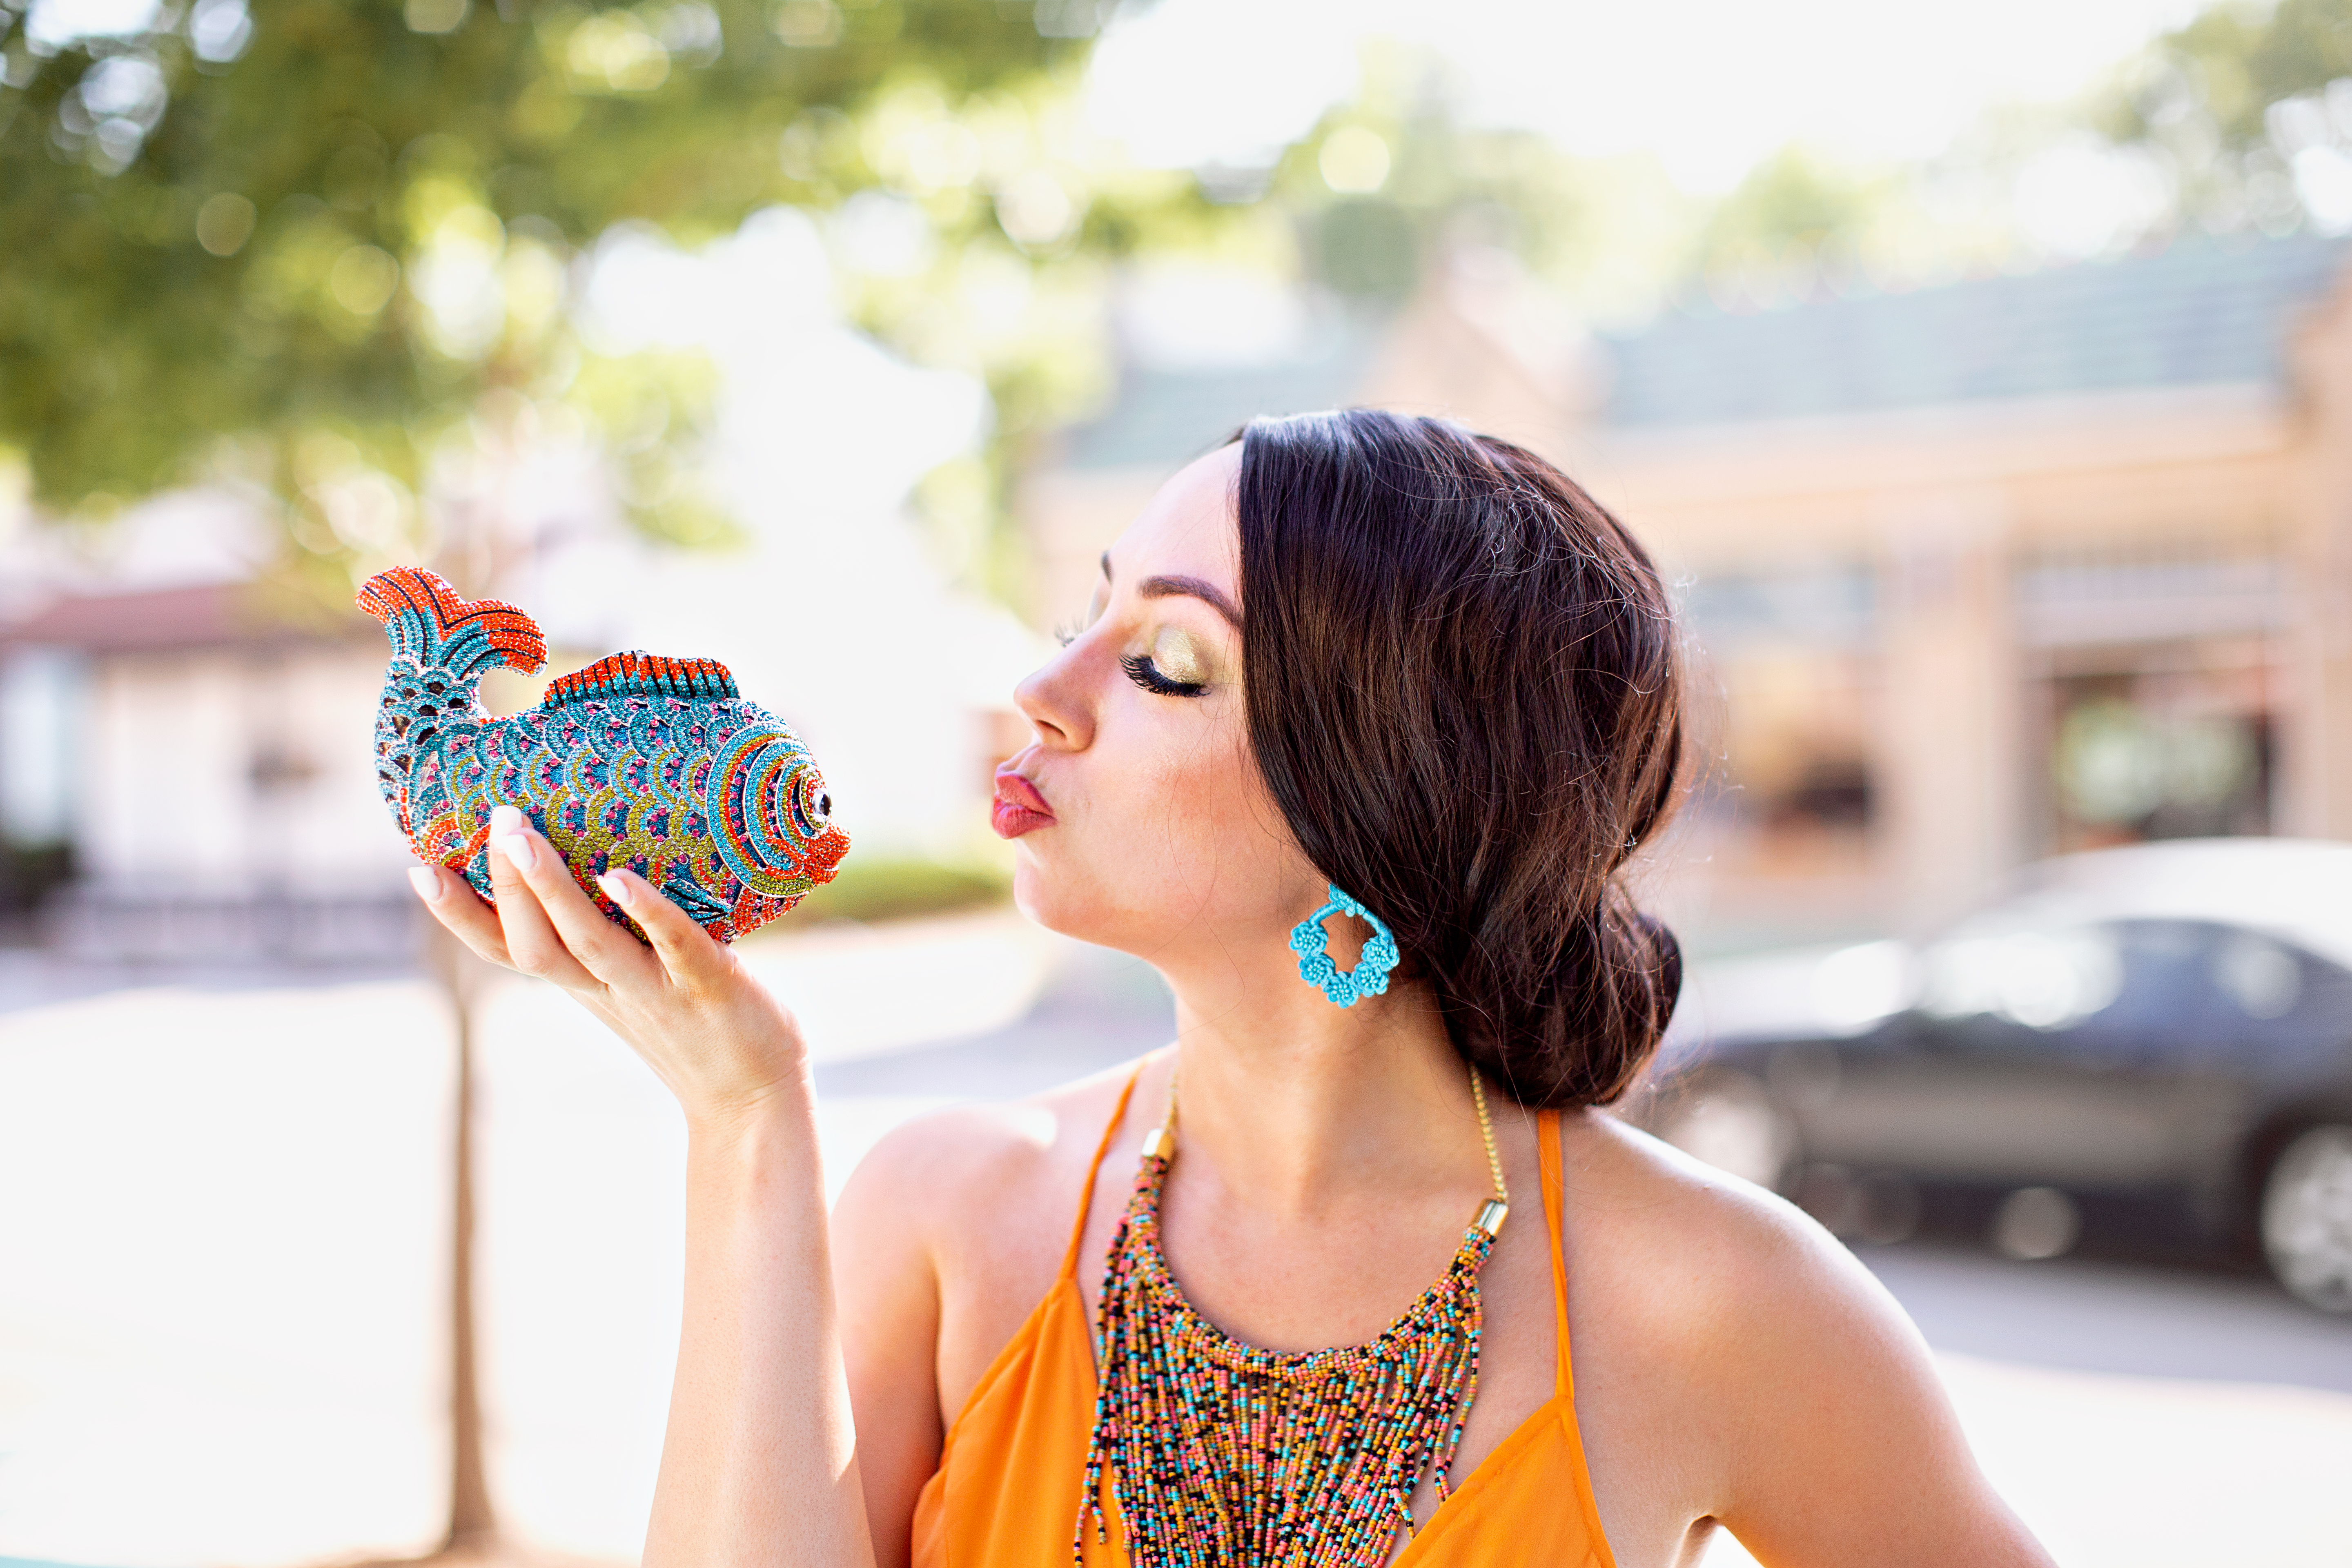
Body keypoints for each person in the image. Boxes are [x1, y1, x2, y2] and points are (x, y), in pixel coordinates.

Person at [410, 410, 2054, 1567]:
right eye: (1085, 614)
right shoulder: (950, 1220)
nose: (1039, 695)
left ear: (1383, 799)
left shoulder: (1716, 1303)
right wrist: (744, 1125)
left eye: (1161, 663)